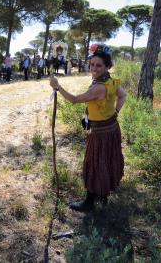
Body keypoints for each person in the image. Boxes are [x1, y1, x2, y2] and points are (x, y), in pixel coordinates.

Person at [49, 44, 127, 211]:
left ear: (107, 66)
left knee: (95, 162)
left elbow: (74, 99)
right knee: (106, 161)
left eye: (99, 65)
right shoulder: (111, 82)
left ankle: (89, 202)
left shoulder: (99, 87)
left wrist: (57, 87)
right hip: (111, 128)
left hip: (101, 132)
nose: (94, 68)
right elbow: (123, 96)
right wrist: (116, 113)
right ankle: (103, 195)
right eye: (92, 64)